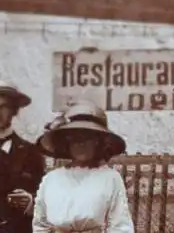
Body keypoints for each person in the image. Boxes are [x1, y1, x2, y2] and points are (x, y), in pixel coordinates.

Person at [32, 101, 134, 232]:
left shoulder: (110, 178)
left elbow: (120, 225)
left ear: (98, 142)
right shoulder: (51, 179)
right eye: (75, 139)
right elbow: (40, 225)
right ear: (67, 143)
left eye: (87, 138)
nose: (81, 144)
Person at [0, 81, 45, 233]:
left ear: (14, 110)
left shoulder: (31, 152)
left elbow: (44, 195)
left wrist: (30, 201)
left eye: (3, 107)